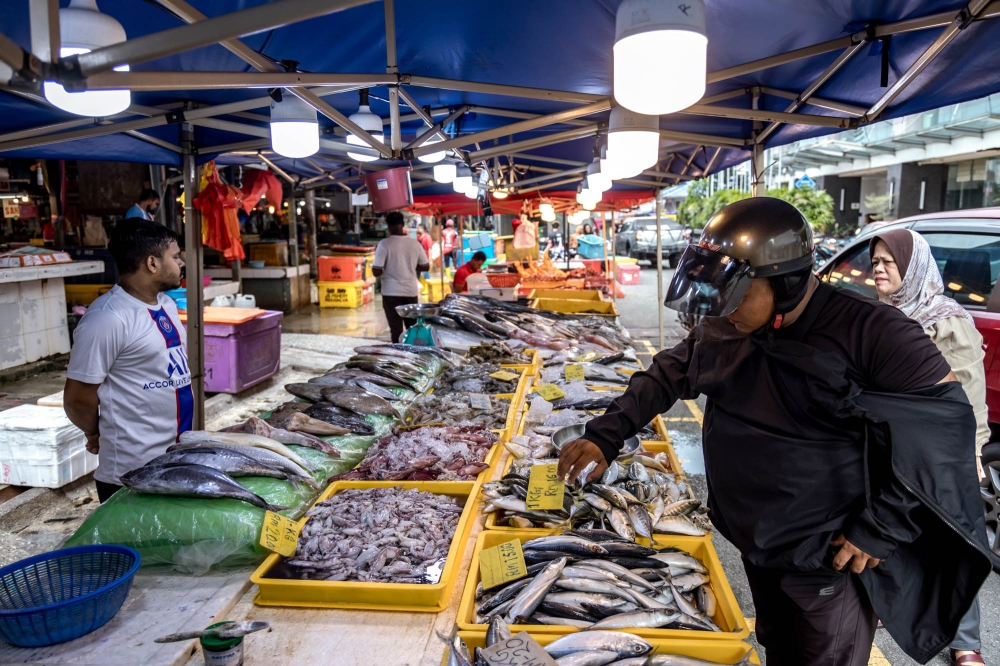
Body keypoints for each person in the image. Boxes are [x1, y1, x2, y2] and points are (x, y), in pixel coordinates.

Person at [558, 197, 992, 666]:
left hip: (825, 553)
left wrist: (880, 528)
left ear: (785, 282)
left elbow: (943, 428)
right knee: (779, 650)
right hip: (754, 538)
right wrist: (607, 432)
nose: (722, 310)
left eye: (737, 294)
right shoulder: (728, 327)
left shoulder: (874, 330)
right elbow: (667, 373)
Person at [870, 229, 989, 666]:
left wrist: (972, 451)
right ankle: (895, 608)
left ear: (913, 267)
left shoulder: (945, 318)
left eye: (888, 261)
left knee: (952, 538)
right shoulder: (881, 314)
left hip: (938, 450)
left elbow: (970, 394)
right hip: (891, 445)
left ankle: (965, 642)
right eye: (876, 260)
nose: (878, 268)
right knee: (893, 531)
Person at [63, 221, 191, 504]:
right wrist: (95, 431)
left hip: (176, 460)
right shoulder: (107, 319)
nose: (181, 262)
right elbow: (77, 398)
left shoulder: (166, 305)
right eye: (175, 256)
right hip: (132, 475)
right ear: (152, 263)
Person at [373, 211, 429, 343]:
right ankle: (413, 356)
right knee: (412, 328)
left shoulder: (384, 244)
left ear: (388, 226)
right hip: (410, 291)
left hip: (391, 293)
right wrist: (410, 266)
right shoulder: (414, 243)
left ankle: (398, 357)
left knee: (396, 330)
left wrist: (388, 266)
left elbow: (376, 271)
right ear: (403, 224)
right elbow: (425, 266)